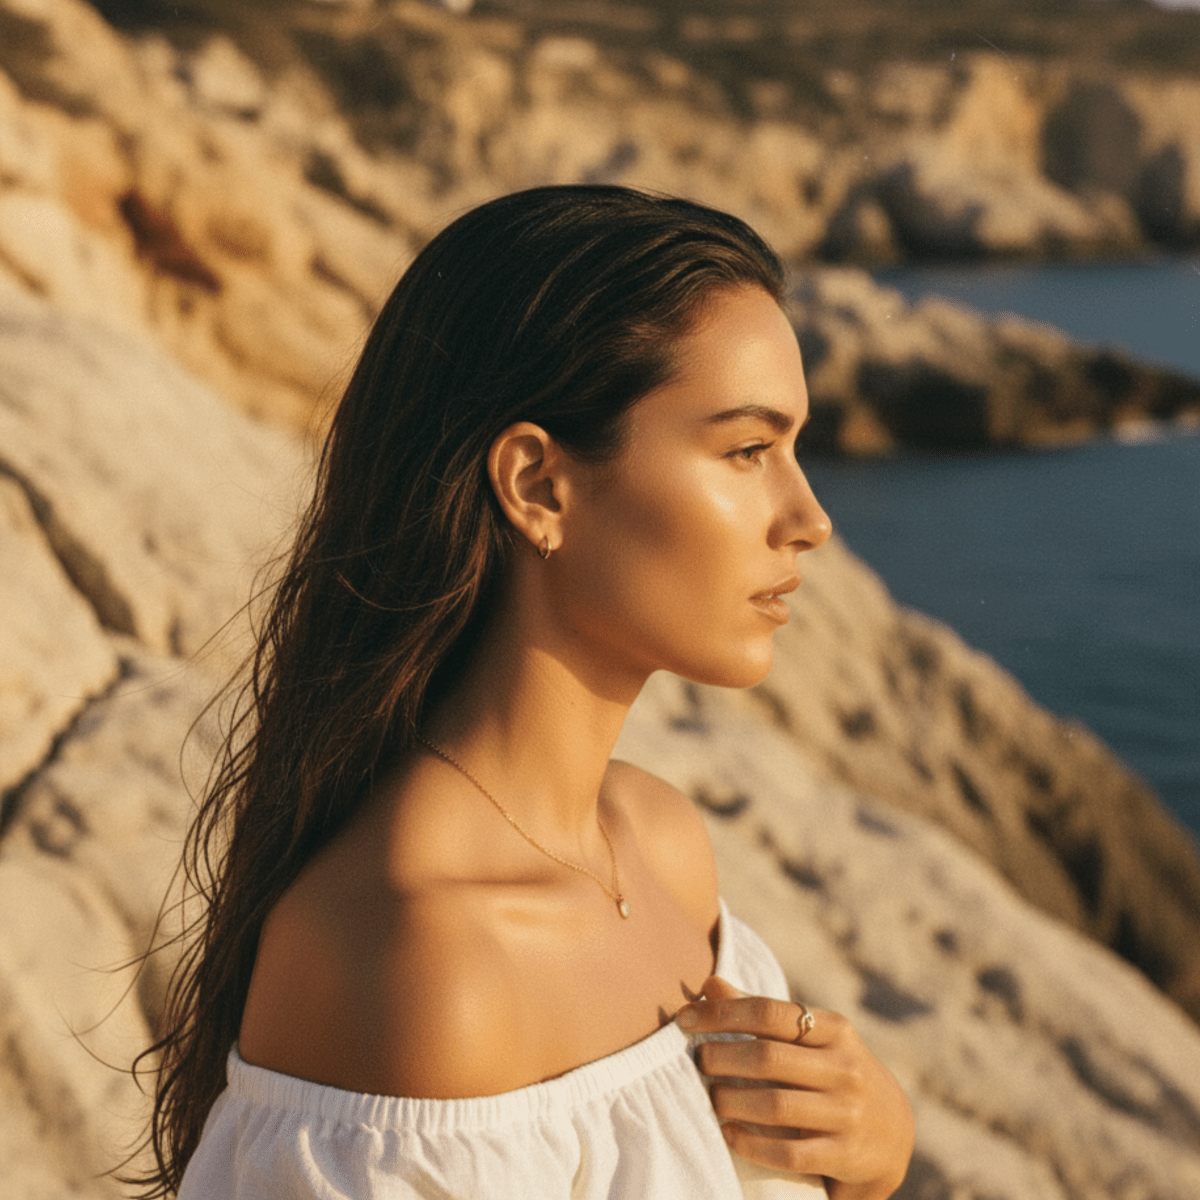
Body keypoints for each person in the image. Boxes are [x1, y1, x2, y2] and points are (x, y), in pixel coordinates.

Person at [139, 185, 914, 1199]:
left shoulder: (661, 843)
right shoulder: (422, 966)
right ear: (539, 485)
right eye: (747, 451)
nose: (808, 516)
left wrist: (873, 1156)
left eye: (794, 449)